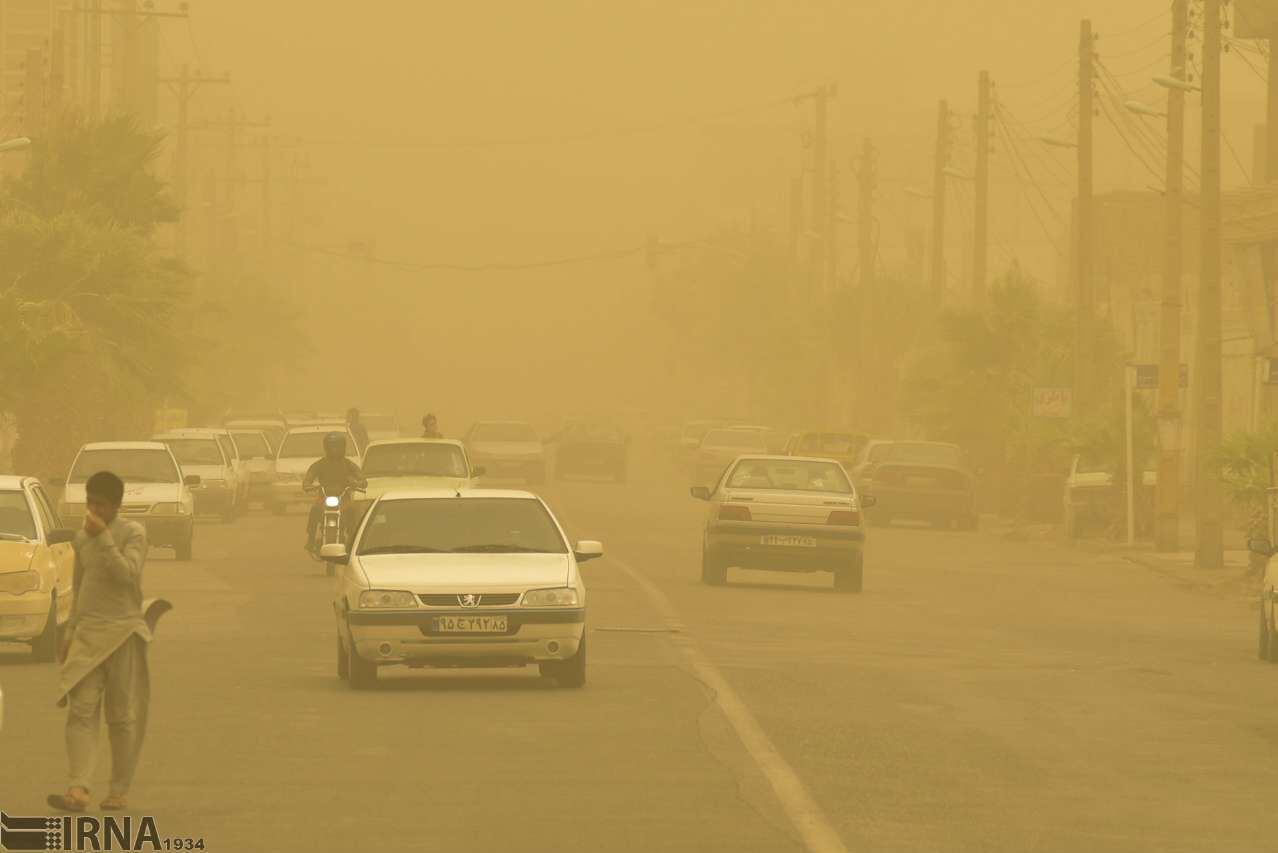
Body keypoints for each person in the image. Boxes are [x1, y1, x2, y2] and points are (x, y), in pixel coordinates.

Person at [48, 471, 171, 813]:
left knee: (120, 717)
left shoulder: (133, 534)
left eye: (100, 504)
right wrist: (69, 634)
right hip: (88, 635)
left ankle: (118, 789)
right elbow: (80, 589)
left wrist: (102, 537)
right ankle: (78, 789)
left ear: (116, 505)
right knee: (81, 712)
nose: (93, 510)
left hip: (123, 634)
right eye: (89, 503)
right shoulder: (81, 539)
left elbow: (127, 576)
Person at [303, 432, 367, 552]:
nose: (334, 449)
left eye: (337, 446)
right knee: (314, 510)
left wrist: (357, 483)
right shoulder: (320, 464)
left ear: (342, 447)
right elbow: (309, 477)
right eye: (332, 446)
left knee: (353, 513)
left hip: (344, 499)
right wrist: (307, 484)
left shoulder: (348, 464)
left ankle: (353, 541)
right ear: (326, 447)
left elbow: (362, 479)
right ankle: (310, 539)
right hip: (324, 498)